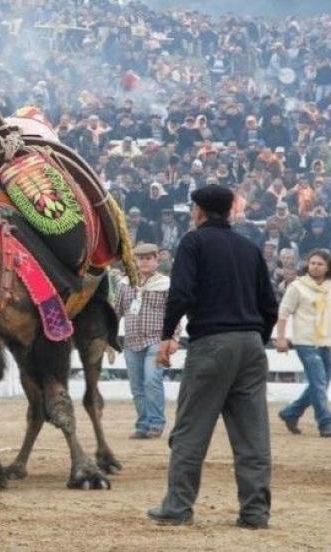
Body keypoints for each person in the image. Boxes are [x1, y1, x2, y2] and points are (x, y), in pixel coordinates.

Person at [149, 185, 278, 529]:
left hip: (211, 343)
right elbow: (270, 305)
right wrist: (255, 338)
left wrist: (167, 335)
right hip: (251, 345)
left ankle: (177, 507)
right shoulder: (250, 248)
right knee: (252, 435)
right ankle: (255, 512)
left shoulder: (193, 242)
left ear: (199, 211)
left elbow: (181, 294)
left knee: (191, 430)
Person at [114, 243, 174, 439]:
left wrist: (173, 338)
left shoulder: (165, 284)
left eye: (149, 258)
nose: (144, 262)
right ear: (135, 261)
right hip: (132, 340)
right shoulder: (124, 284)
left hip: (156, 339)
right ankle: (143, 424)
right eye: (141, 258)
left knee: (151, 380)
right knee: (137, 386)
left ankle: (156, 422)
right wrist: (109, 336)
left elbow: (173, 313)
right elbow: (116, 312)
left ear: (156, 260)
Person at [275, 249, 331, 437]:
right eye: (312, 263)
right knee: (319, 382)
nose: (315, 267)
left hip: (328, 341)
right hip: (306, 342)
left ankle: (290, 412)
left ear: (327, 267)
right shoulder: (298, 286)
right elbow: (283, 313)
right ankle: (325, 423)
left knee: (319, 384)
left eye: (320, 264)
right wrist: (281, 338)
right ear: (307, 264)